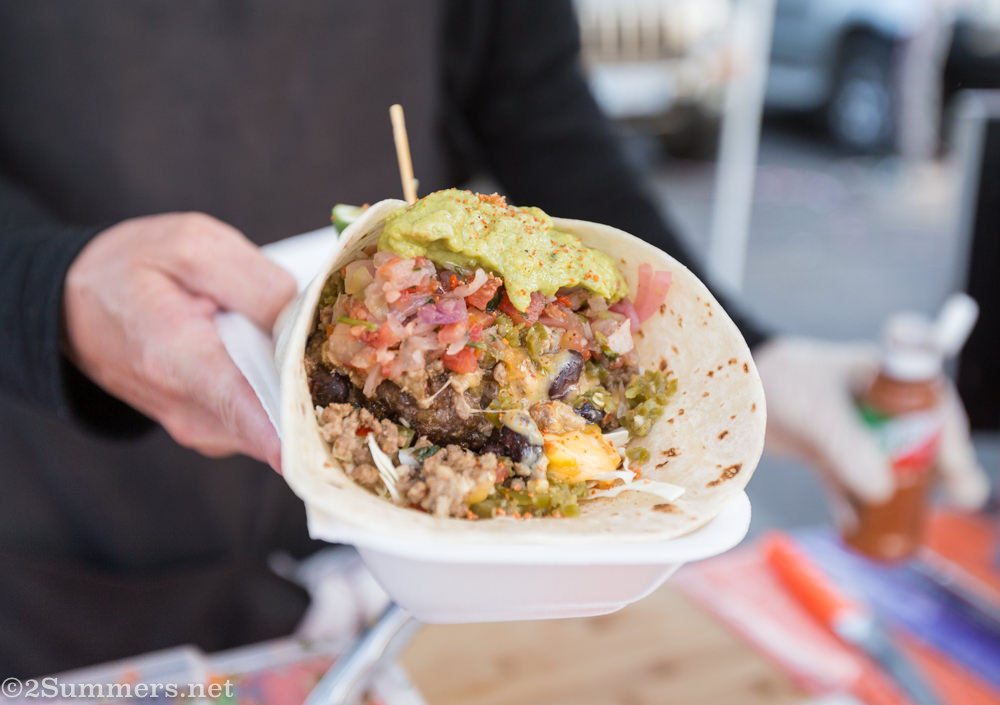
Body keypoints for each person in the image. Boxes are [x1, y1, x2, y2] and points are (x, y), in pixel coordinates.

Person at [0, 0, 988, 677]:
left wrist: (761, 356)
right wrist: (50, 292)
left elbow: (533, 110)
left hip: (383, 573)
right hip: (60, 541)